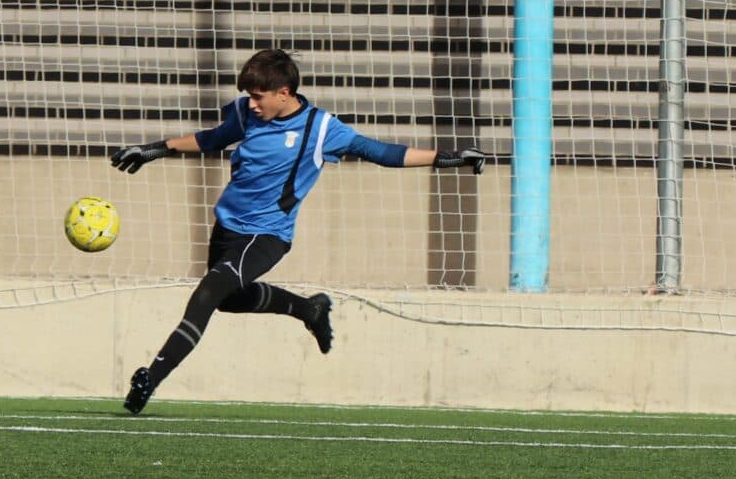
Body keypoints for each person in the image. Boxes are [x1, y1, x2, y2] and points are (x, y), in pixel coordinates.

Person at [110, 49, 484, 414]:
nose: (252, 104)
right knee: (229, 299)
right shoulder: (246, 115)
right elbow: (214, 137)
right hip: (227, 228)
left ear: (284, 93)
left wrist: (446, 157)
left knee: (209, 292)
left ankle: (150, 377)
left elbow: (380, 151)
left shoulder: (320, 128)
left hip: (267, 235)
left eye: (258, 97)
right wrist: (155, 149)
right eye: (249, 97)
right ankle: (310, 309)